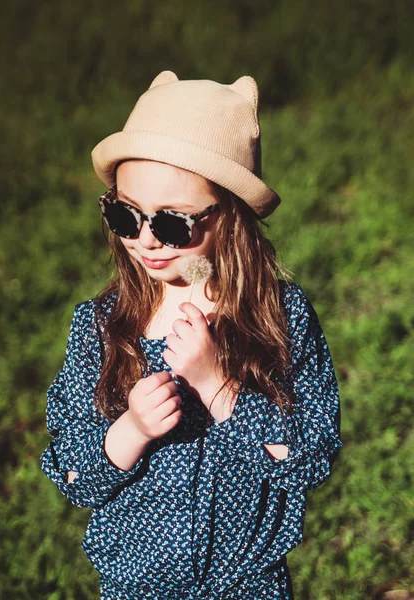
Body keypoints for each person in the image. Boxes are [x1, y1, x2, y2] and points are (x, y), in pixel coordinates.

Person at [40, 71, 342, 600]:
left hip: (246, 584)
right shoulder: (105, 325)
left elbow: (311, 456)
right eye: (125, 216)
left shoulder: (279, 315)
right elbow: (72, 473)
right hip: (135, 585)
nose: (147, 240)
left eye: (175, 223)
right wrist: (130, 429)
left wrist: (221, 389)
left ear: (232, 216)